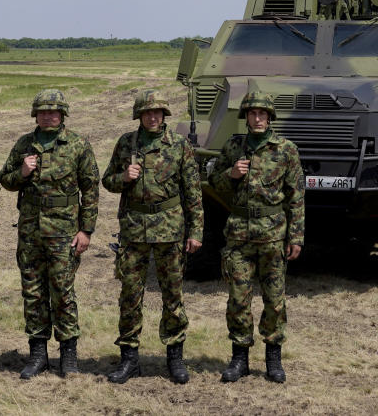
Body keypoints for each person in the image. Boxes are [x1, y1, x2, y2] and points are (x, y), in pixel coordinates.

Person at [101, 89, 204, 384]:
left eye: (157, 112)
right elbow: (107, 180)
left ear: (164, 115)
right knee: (130, 296)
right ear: (139, 116)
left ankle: (175, 358)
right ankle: (129, 359)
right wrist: (124, 177)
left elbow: (193, 193)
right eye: (147, 112)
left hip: (170, 229)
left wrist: (196, 231)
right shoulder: (126, 144)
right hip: (134, 229)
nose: (152, 117)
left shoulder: (179, 145)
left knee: (172, 295)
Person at [0, 89, 100, 379]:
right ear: (35, 115)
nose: (48, 116)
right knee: (33, 293)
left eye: (54, 112)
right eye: (43, 111)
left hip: (64, 230)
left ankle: (68, 354)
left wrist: (86, 230)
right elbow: (5, 179)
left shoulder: (78, 144)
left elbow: (91, 189)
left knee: (63, 293)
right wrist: (23, 172)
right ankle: (38, 354)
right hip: (31, 231)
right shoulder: (25, 144)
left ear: (63, 114)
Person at [209, 92, 305, 383]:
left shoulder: (285, 149)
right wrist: (232, 174)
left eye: (263, 114)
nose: (258, 118)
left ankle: (273, 358)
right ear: (246, 117)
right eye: (253, 113)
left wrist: (296, 236)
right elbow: (214, 184)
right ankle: (240, 359)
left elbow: (296, 196)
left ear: (270, 117)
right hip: (238, 234)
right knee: (238, 299)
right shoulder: (233, 146)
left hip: (273, 234)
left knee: (275, 300)